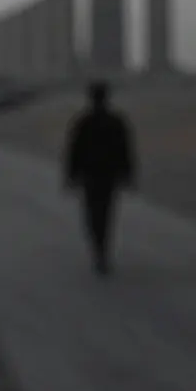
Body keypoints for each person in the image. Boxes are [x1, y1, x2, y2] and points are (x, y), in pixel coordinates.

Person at [63, 81, 135, 276]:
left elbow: (73, 151)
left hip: (91, 176)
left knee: (92, 214)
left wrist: (70, 176)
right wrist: (128, 174)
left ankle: (99, 250)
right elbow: (126, 150)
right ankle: (103, 251)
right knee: (107, 214)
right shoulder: (116, 121)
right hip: (108, 175)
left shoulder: (83, 122)